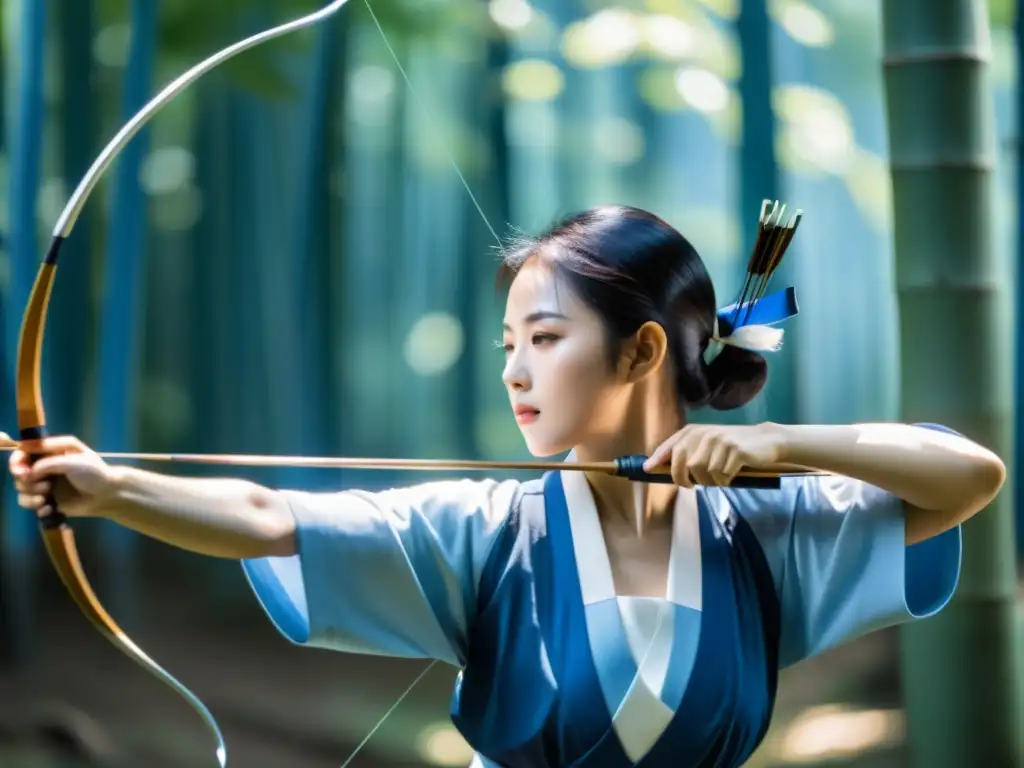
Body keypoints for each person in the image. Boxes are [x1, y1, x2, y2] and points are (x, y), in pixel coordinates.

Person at [10, 205, 1005, 768]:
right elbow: (272, 518)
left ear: (643, 349)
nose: (514, 373)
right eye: (507, 347)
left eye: (543, 339)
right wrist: (109, 489)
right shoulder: (485, 527)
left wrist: (780, 442)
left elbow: (967, 476)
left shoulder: (767, 533)